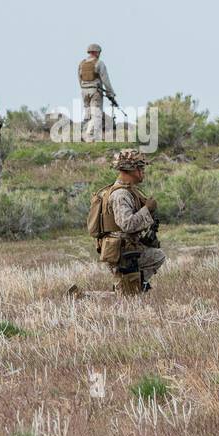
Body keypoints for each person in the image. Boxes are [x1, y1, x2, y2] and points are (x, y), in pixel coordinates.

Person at [92, 149, 165, 295]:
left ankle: (137, 284)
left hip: (126, 249)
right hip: (123, 253)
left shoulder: (129, 191)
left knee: (129, 292)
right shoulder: (121, 194)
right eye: (141, 168)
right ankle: (82, 297)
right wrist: (147, 209)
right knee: (127, 296)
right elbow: (127, 224)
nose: (143, 171)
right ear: (131, 169)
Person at [79, 43, 116, 142]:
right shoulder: (99, 63)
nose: (99, 54)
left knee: (88, 114)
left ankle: (85, 136)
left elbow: (79, 78)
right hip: (95, 92)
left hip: (84, 91)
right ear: (96, 52)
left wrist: (83, 89)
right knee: (97, 115)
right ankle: (95, 137)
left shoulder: (82, 63)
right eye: (99, 52)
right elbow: (105, 80)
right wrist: (110, 93)